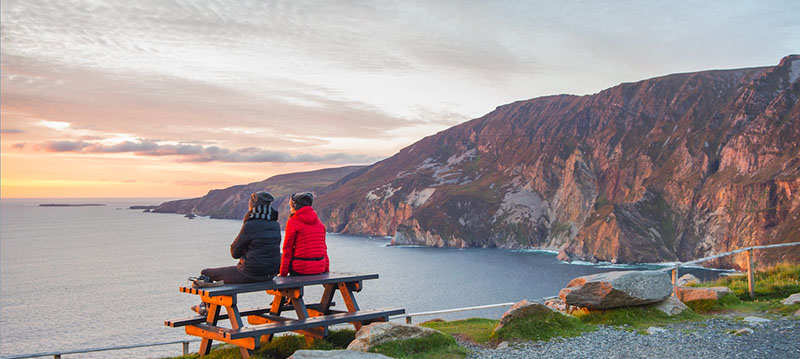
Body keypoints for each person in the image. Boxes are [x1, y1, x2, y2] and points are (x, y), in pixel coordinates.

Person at [191, 191, 281, 314]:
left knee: (206, 273)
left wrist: (246, 249)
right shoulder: (275, 225)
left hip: (249, 273)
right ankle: (206, 306)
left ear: (253, 206)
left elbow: (235, 253)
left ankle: (205, 306)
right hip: (270, 274)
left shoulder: (250, 225)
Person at [279, 192, 329, 276]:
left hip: (301, 269)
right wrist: (326, 270)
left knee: (276, 259)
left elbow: (287, 249)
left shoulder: (293, 222)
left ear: (294, 205)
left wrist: (283, 273)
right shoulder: (319, 223)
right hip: (320, 268)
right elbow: (324, 249)